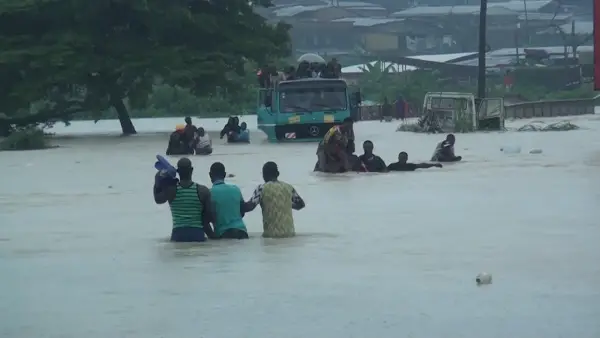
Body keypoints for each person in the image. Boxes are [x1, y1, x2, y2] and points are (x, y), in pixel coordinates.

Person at [154, 158, 215, 242]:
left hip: (178, 235)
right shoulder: (202, 191)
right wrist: (212, 235)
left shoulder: (171, 190)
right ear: (192, 170)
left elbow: (158, 199)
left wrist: (157, 180)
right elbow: (209, 216)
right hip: (197, 233)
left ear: (177, 171)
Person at [244, 162, 305, 238]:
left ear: (263, 175)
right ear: (278, 174)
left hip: (271, 235)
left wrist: (237, 203)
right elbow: (301, 204)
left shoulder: (261, 188)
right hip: (289, 234)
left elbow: (250, 206)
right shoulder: (288, 187)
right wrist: (286, 203)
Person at [209, 162, 249, 239]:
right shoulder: (236, 189)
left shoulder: (210, 193)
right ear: (224, 175)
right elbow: (242, 212)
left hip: (223, 233)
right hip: (242, 231)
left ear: (210, 175)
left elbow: (210, 216)